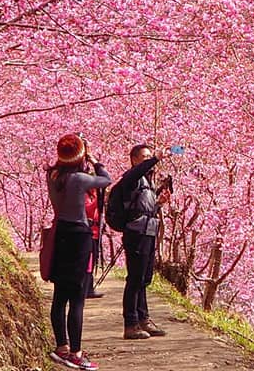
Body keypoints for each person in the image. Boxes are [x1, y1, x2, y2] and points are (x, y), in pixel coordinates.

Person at [46, 133, 111, 370]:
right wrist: (94, 160)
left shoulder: (52, 175)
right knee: (77, 299)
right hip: (79, 236)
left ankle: (61, 347)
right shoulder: (81, 179)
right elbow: (106, 179)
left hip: (59, 232)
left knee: (59, 296)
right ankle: (76, 353)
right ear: (81, 154)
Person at [114, 143, 171, 339]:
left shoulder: (147, 182)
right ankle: (130, 324)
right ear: (135, 160)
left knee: (145, 278)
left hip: (148, 232)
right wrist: (155, 158)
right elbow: (134, 176)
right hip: (136, 233)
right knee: (135, 278)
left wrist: (159, 204)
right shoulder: (131, 179)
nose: (149, 161)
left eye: (150, 157)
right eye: (144, 157)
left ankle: (143, 319)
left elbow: (145, 208)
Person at [84, 187, 105, 299]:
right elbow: (88, 210)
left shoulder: (94, 195)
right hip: (89, 233)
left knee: (93, 261)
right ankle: (87, 288)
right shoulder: (85, 195)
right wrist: (98, 201)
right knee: (89, 263)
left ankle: (89, 287)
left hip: (96, 233)